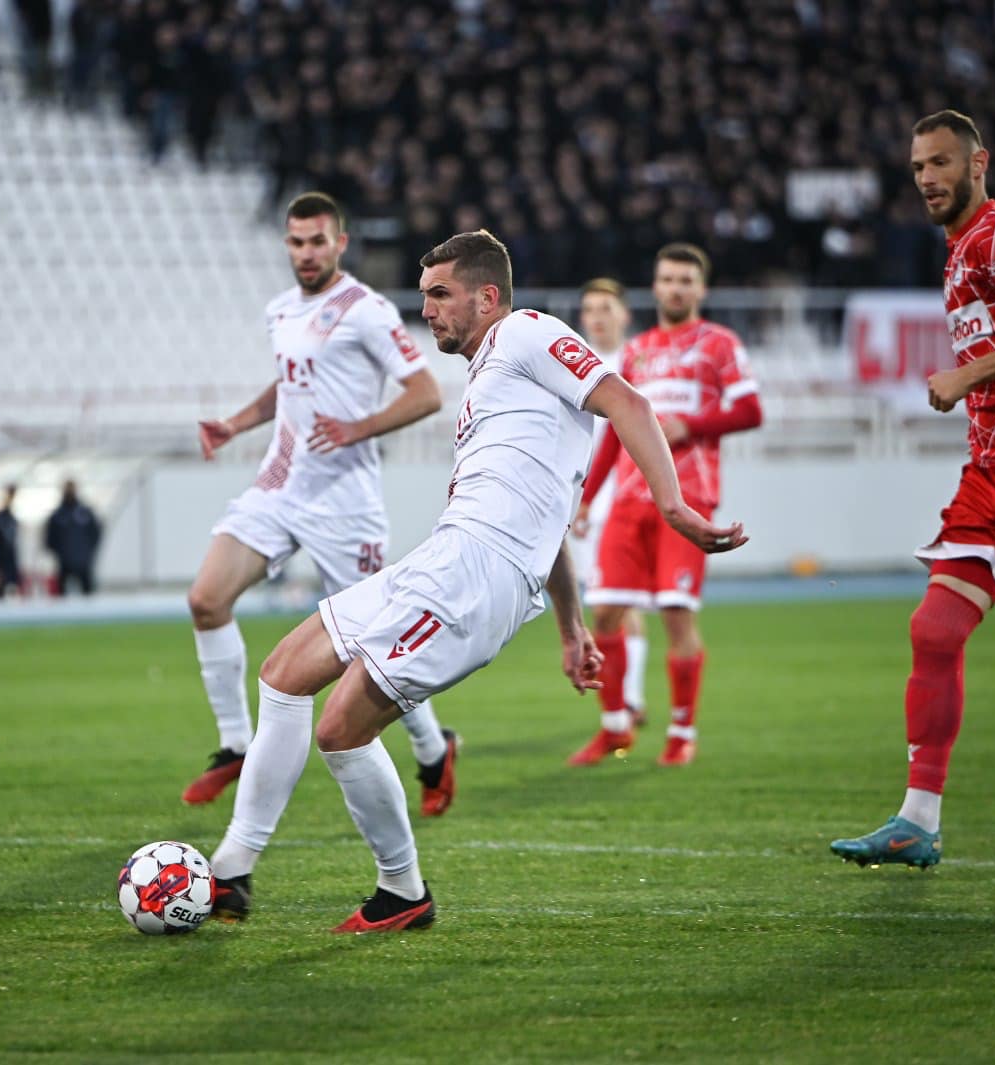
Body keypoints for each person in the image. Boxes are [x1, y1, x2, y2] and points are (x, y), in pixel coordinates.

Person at [205, 231, 747, 931]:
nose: (426, 309)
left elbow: (631, 405)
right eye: (424, 294)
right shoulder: (490, 378)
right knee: (283, 672)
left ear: (487, 297)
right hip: (448, 557)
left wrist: (672, 506)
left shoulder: (525, 332)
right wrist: (572, 627)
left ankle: (401, 891)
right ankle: (231, 870)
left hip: (475, 576)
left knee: (341, 728)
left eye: (440, 294)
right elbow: (548, 521)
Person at [183, 190, 458, 817]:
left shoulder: (367, 310)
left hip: (345, 504)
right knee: (206, 599)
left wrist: (357, 428)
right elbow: (290, 383)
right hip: (279, 486)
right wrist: (234, 423)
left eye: (317, 242)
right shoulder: (281, 309)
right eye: (296, 242)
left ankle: (433, 747)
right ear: (286, 244)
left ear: (340, 244)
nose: (306, 253)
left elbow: (425, 393)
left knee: (376, 647)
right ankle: (235, 745)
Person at [831, 110, 995, 869]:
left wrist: (966, 376)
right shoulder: (960, 249)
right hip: (991, 478)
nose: (927, 178)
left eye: (941, 163)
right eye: (918, 167)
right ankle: (916, 822)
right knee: (934, 630)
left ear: (978, 163)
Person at [566, 244, 762, 768]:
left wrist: (690, 426)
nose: (676, 288)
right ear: (655, 287)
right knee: (605, 613)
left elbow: (750, 410)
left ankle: (681, 732)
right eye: (668, 279)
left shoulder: (719, 343)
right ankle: (615, 729)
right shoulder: (637, 351)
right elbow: (616, 431)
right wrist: (587, 498)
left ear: (701, 288)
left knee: (676, 615)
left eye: (686, 280)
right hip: (629, 499)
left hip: (688, 499)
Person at [569, 277, 650, 725]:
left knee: (617, 603)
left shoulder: (639, 361)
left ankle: (628, 701)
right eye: (590, 309)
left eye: (606, 308)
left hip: (624, 498)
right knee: (605, 603)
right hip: (583, 498)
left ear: (625, 314)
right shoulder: (570, 363)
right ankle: (624, 700)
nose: (597, 317)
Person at [44, 479, 101, 595]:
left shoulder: (85, 512)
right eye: (67, 488)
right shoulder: (58, 515)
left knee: (87, 594)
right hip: (64, 562)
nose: (70, 491)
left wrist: (87, 551)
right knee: (62, 594)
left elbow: (95, 533)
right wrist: (59, 553)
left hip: (83, 561)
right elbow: (50, 538)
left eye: (72, 488)